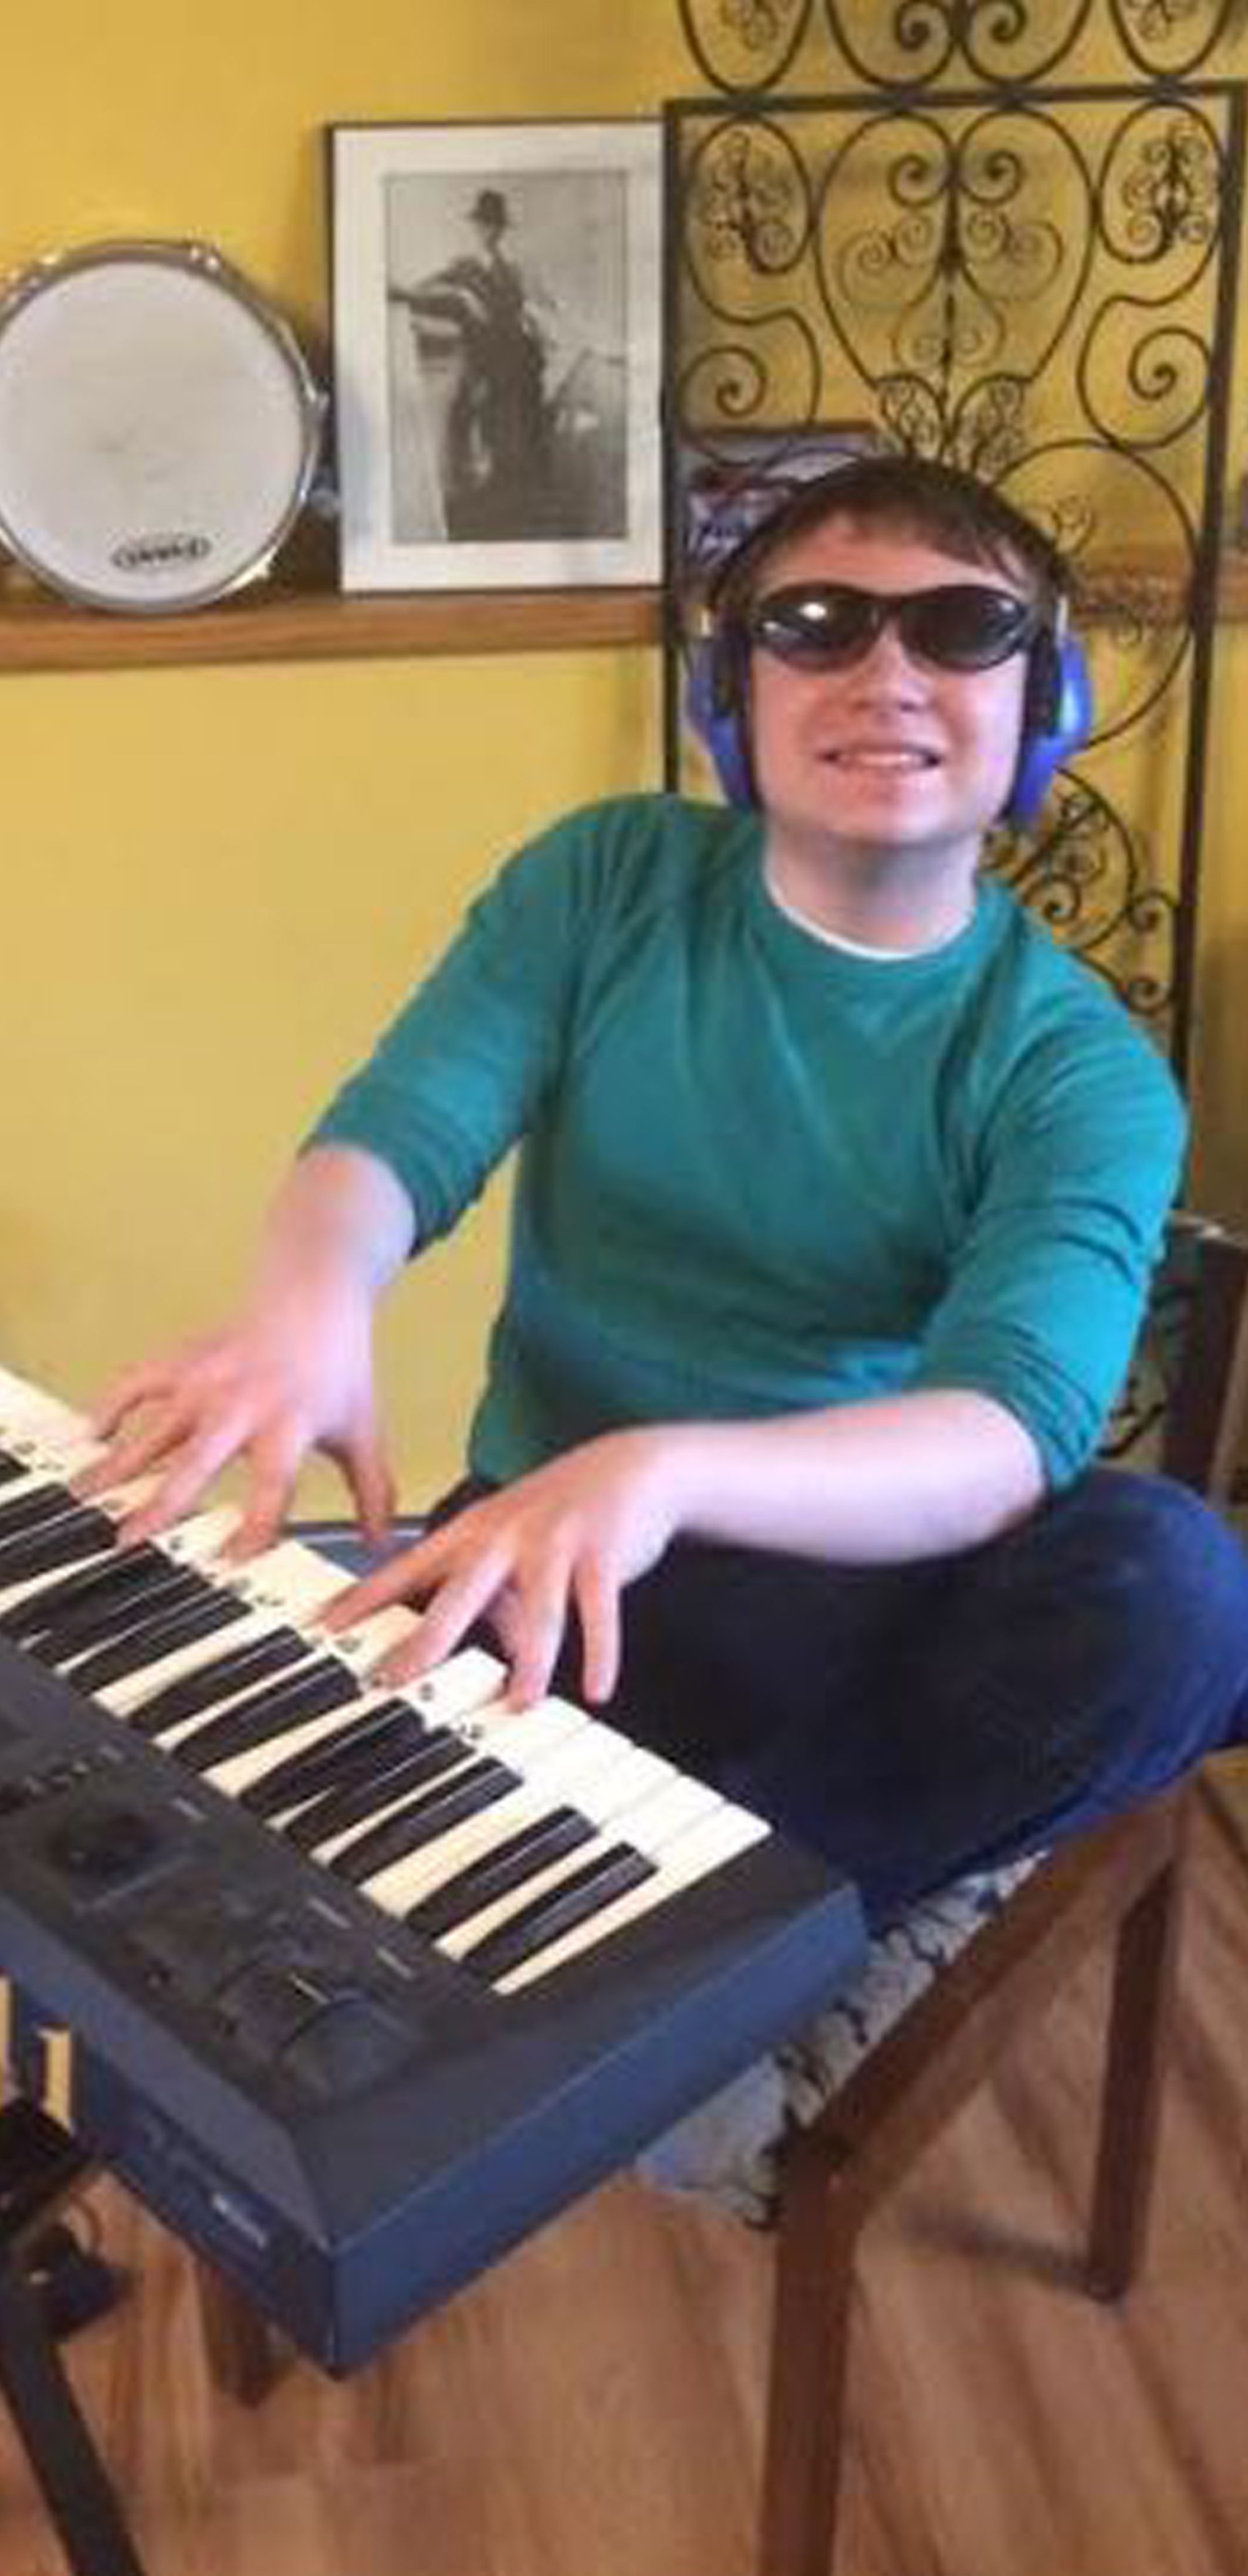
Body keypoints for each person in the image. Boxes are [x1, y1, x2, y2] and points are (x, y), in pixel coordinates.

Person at [85, 452, 1248, 1933]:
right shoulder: (605, 878)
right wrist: (302, 1314)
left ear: (1044, 708)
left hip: (862, 1584)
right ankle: (711, 1930)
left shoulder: (1077, 1068)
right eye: (815, 623)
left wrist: (660, 1469)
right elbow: (398, 1135)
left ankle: (683, 1973)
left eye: (959, 630)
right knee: (197, 1818)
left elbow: (1005, 1431)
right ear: (727, 702)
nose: (884, 673)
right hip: (548, 1563)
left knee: (1176, 1595)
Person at [393, 188, 571, 542]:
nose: (491, 231)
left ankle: (529, 500)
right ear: (475, 227)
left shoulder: (512, 270)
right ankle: (486, 506)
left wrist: (538, 324)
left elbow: (529, 307)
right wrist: (461, 299)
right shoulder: (463, 267)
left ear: (502, 230)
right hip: (484, 362)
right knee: (486, 425)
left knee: (526, 425)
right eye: (485, 224)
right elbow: (420, 292)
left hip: (519, 360)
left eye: (496, 226)